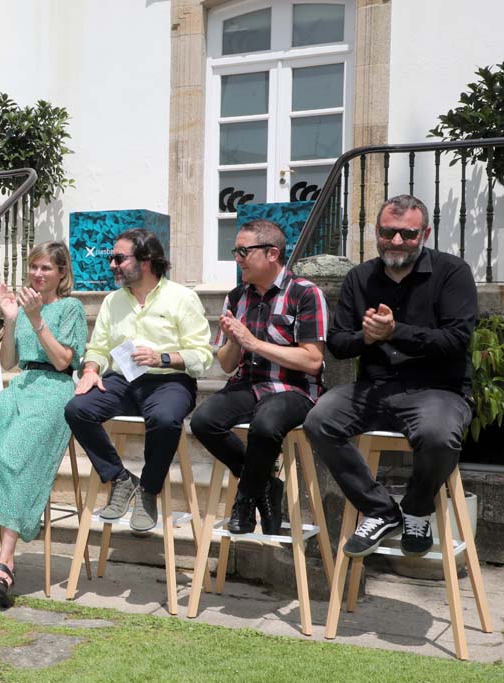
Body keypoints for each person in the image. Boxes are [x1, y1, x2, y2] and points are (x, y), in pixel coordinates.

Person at [304, 194, 477, 558]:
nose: (396, 241)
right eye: (387, 232)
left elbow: (456, 340)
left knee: (437, 436)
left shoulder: (452, 272)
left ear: (425, 233)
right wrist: (365, 337)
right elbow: (337, 343)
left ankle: (416, 507)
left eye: (407, 234)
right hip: (375, 387)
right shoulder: (359, 277)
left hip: (437, 388)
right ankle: (381, 510)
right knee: (319, 420)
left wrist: (395, 331)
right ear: (377, 231)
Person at [0, 241, 87, 606]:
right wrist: (11, 320)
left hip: (55, 391)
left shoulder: (70, 307)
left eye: (46, 269)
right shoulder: (25, 309)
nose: (38, 274)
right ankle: (7, 510)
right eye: (34, 267)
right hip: (22, 385)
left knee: (15, 453)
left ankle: (5, 562)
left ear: (61, 274)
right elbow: (9, 361)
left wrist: (37, 319)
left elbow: (62, 362)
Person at [64, 228, 213, 533]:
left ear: (145, 260)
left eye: (119, 258)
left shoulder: (182, 298)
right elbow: (99, 348)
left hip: (169, 380)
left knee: (165, 418)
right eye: (112, 258)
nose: (112, 265)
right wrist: (91, 368)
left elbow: (202, 356)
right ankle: (120, 479)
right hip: (123, 380)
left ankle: (149, 490)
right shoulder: (112, 302)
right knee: (77, 409)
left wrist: (164, 357)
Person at [190, 220, 328, 535]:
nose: (236, 258)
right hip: (246, 384)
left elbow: (312, 360)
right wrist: (235, 341)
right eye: (235, 251)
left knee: (265, 427)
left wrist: (254, 342)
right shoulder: (236, 297)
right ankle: (265, 484)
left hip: (294, 388)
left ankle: (244, 499)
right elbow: (226, 365)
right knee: (202, 422)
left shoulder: (306, 294)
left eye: (243, 251)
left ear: (272, 254)